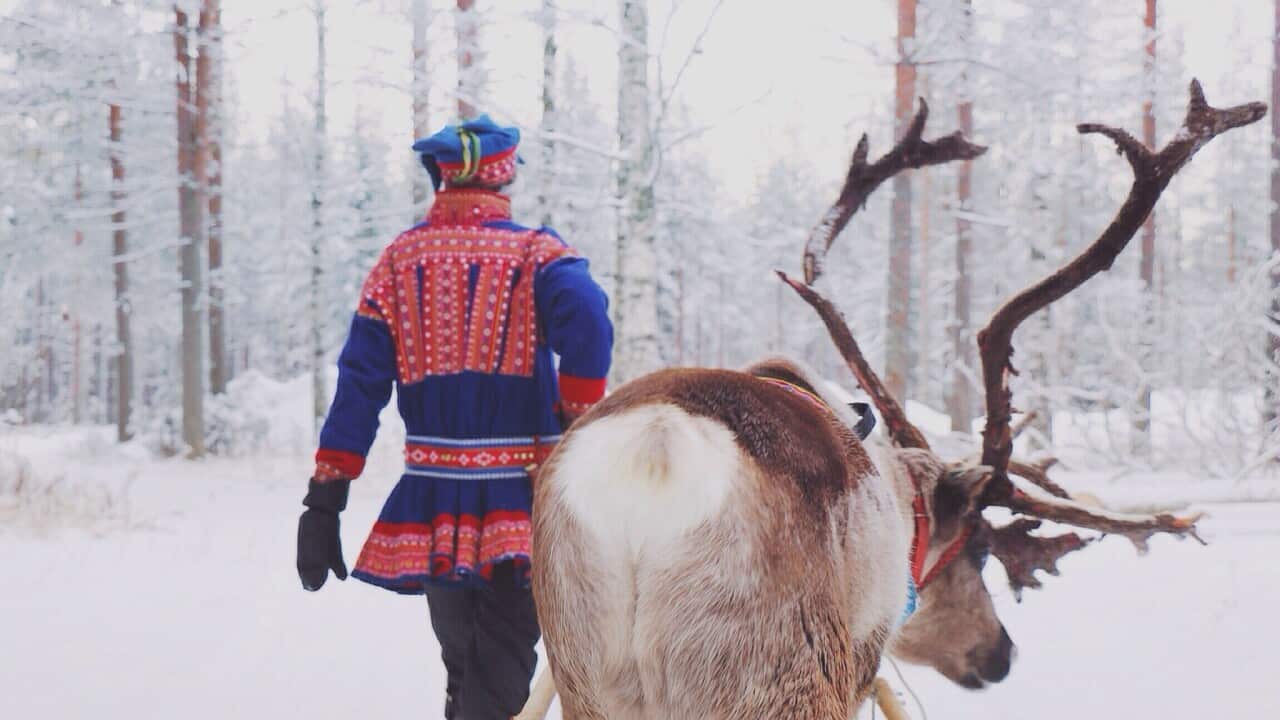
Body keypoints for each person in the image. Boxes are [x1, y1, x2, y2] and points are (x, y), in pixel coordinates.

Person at [295, 114, 614, 720]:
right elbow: (589, 318)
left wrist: (325, 497)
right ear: (503, 179)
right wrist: (578, 420)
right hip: (523, 500)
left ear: (439, 178)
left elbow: (361, 383)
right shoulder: (537, 255)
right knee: (497, 671)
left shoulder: (398, 262)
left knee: (465, 663)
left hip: (436, 503)